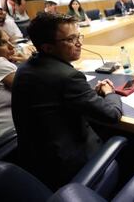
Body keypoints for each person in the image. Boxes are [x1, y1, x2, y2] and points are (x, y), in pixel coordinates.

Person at [11, 13, 122, 189]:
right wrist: (109, 93)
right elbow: (112, 115)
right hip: (68, 168)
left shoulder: (26, 68)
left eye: (78, 36)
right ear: (47, 48)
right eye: (71, 39)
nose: (79, 43)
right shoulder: (68, 76)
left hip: (35, 163)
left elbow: (53, 99)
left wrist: (86, 95)